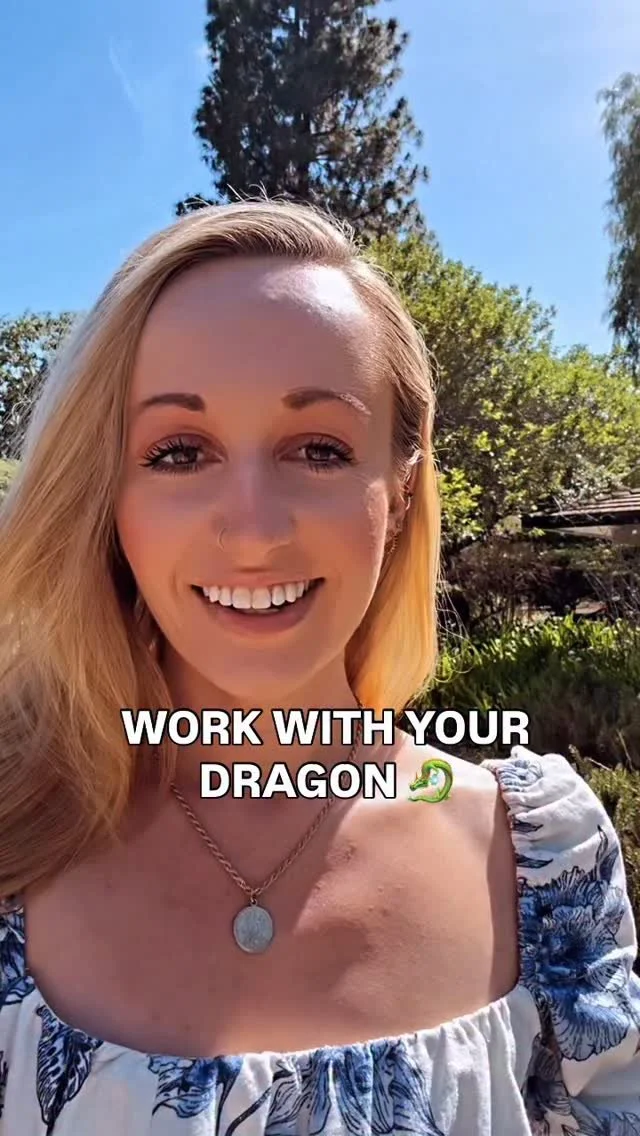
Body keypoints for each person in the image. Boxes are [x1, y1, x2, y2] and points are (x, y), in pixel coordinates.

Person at [0, 200, 638, 1136]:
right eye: (179, 452)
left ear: (402, 487)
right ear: (106, 492)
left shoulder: (542, 862)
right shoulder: (13, 836)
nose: (254, 531)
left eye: (319, 450)